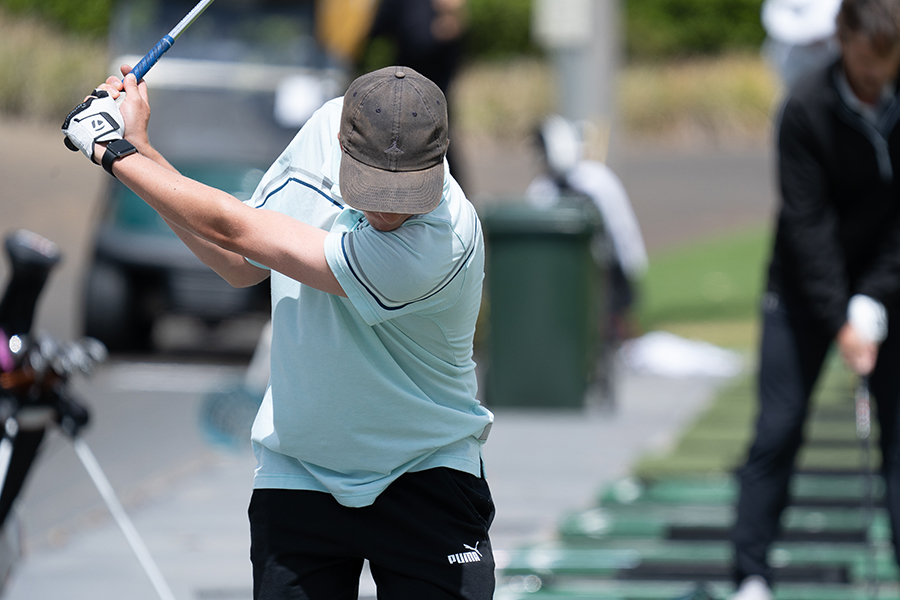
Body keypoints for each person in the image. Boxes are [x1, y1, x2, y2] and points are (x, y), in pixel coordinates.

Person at [62, 65, 495, 599]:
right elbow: (238, 261)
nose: (387, 209)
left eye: (405, 192)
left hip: (426, 472)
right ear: (344, 146)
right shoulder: (326, 130)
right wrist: (141, 150)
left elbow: (235, 228)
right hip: (300, 471)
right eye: (373, 187)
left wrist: (110, 151)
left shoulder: (440, 242)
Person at [730, 1, 900, 598]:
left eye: (888, 58)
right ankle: (751, 574)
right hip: (802, 289)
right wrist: (840, 319)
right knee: (778, 428)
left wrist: (874, 299)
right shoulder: (805, 106)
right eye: (867, 57)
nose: (876, 72)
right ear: (842, 40)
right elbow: (808, 226)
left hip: (888, 282)